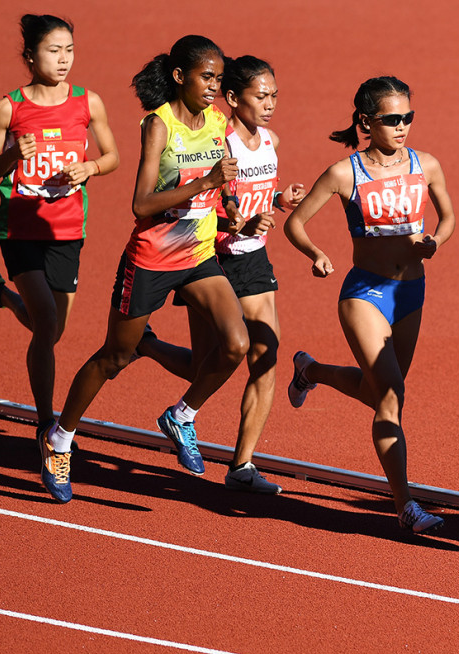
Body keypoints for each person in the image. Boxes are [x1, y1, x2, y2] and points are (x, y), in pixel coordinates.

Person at [37, 35, 249, 503]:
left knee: (236, 346)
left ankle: (182, 415)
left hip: (198, 256)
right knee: (114, 356)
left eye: (218, 77)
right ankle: (60, 437)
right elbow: (142, 203)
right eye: (206, 77)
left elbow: (224, 183)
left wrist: (231, 207)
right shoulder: (160, 124)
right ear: (180, 76)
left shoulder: (217, 122)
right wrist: (206, 182)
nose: (215, 86)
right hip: (152, 258)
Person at [283, 76, 455, 533]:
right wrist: (317, 254)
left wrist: (435, 241)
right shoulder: (346, 173)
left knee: (380, 392)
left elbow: (450, 217)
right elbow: (295, 224)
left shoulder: (426, 164)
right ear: (366, 121)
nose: (402, 127)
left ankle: (311, 371)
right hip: (365, 293)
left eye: (408, 118)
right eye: (392, 119)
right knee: (393, 398)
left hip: (411, 292)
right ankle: (406, 506)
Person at [135, 56, 305, 494]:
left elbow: (255, 195)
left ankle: (242, 466)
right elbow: (211, 204)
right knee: (204, 365)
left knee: (265, 358)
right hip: (210, 256)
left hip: (253, 259)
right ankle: (149, 350)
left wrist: (279, 203)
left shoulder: (270, 139)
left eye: (274, 96)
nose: (269, 105)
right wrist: (237, 225)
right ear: (233, 98)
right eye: (260, 96)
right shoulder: (218, 140)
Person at [0, 14, 119, 434]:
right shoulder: (8, 107)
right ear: (30, 55)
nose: (63, 59)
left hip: (68, 229)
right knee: (47, 324)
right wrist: (13, 156)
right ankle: (45, 422)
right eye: (53, 50)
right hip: (20, 227)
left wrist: (90, 166)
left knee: (50, 331)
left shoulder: (87, 102)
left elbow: (112, 156)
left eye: (69, 50)